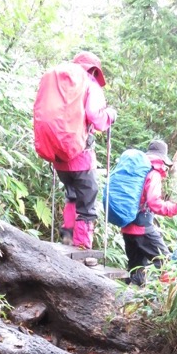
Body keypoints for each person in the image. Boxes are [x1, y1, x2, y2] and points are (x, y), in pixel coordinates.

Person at [55, 51, 117, 250]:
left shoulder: (61, 85)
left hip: (59, 157)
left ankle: (67, 240)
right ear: (94, 70)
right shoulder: (90, 85)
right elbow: (96, 118)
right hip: (80, 156)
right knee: (87, 200)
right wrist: (110, 115)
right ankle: (82, 247)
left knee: (72, 194)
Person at [121, 139, 177, 286]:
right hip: (142, 228)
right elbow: (154, 203)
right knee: (165, 264)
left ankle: (130, 301)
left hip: (126, 227)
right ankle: (167, 301)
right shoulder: (153, 173)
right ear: (162, 159)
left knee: (136, 269)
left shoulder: (136, 169)